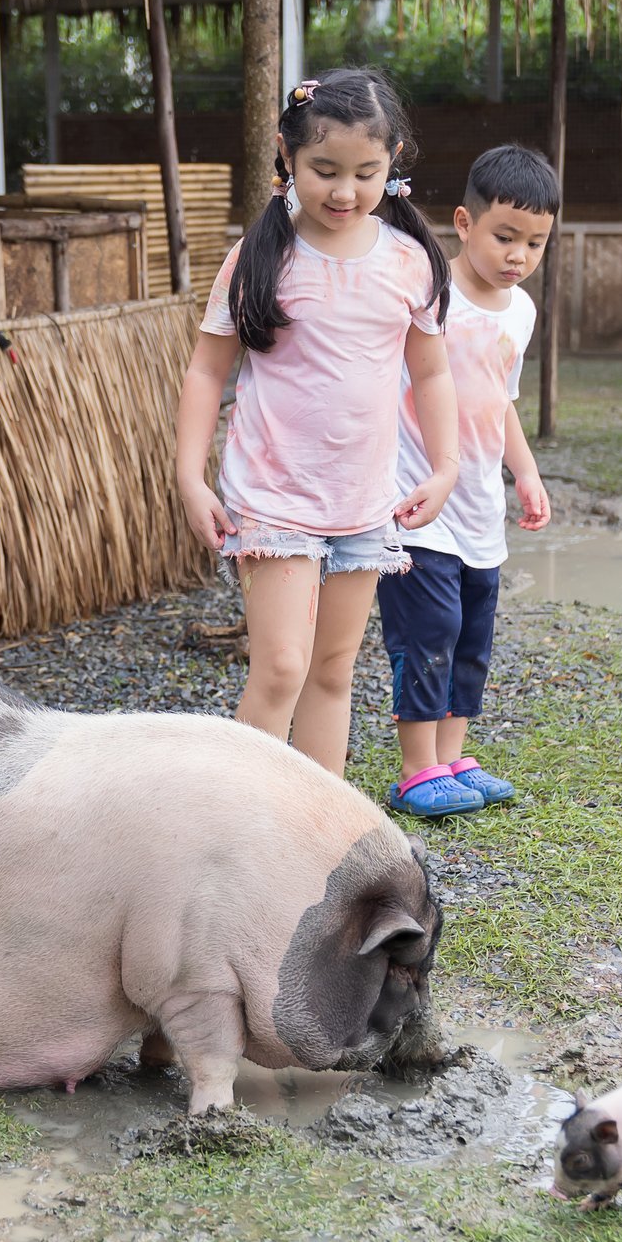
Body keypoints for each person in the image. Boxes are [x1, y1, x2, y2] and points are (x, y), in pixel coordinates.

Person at [173, 70, 462, 775]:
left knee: (333, 674)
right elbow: (208, 370)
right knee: (280, 669)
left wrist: (446, 467)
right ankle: (238, 828)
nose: (344, 191)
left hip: (365, 502)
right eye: (324, 170)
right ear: (286, 157)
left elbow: (430, 371)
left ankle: (314, 837)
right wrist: (189, 475)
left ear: (393, 159)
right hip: (273, 496)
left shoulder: (409, 261)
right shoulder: (258, 259)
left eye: (367, 173)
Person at [377, 144, 558, 817]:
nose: (518, 255)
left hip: (481, 502)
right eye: (505, 236)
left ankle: (452, 757)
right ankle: (416, 769)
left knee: (471, 637)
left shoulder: (522, 312)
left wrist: (527, 474)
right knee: (428, 631)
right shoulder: (430, 297)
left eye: (535, 243)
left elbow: (500, 401)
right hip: (418, 498)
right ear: (465, 223)